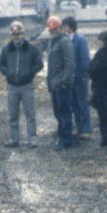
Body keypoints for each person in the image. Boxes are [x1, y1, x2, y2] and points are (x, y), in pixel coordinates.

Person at [0, 20, 43, 148]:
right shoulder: (6, 49)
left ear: (23, 34)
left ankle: (32, 139)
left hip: (27, 86)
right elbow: (0, 64)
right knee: (13, 115)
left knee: (30, 114)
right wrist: (9, 73)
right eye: (14, 34)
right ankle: (14, 139)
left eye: (19, 34)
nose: (16, 36)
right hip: (12, 86)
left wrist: (30, 73)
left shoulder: (31, 48)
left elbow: (39, 64)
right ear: (11, 35)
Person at [45, 15, 76, 149]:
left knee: (64, 113)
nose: (54, 31)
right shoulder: (52, 42)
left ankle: (66, 140)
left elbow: (70, 64)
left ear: (60, 27)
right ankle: (62, 138)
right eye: (51, 29)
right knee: (58, 113)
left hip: (62, 85)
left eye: (55, 28)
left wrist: (64, 82)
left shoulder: (64, 42)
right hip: (54, 85)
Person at [62, 16, 92, 140]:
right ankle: (79, 128)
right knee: (73, 104)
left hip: (80, 78)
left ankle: (86, 130)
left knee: (83, 103)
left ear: (71, 27)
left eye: (65, 26)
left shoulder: (81, 40)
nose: (63, 28)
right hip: (70, 79)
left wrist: (84, 75)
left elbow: (85, 59)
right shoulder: (64, 40)